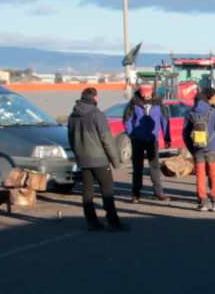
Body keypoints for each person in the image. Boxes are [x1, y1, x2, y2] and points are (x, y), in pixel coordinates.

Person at [67, 87, 129, 231]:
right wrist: (115, 160)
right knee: (107, 190)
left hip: (83, 159)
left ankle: (92, 221)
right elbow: (107, 139)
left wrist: (78, 155)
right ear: (95, 97)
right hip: (99, 159)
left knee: (87, 191)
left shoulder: (72, 116)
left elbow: (71, 139)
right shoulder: (97, 115)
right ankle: (113, 221)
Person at [122, 85, 171, 203]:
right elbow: (127, 120)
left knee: (154, 166)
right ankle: (136, 193)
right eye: (142, 92)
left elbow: (164, 120)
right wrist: (132, 134)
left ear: (151, 91)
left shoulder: (158, 104)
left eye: (146, 92)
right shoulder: (133, 103)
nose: (144, 95)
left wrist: (167, 137)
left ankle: (158, 191)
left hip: (153, 139)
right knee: (137, 167)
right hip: (138, 139)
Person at [183, 87, 215, 213]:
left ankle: (202, 202)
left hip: (197, 148)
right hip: (213, 147)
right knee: (214, 174)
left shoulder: (190, 112)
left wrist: (192, 149)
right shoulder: (213, 111)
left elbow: (185, 134)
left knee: (200, 175)